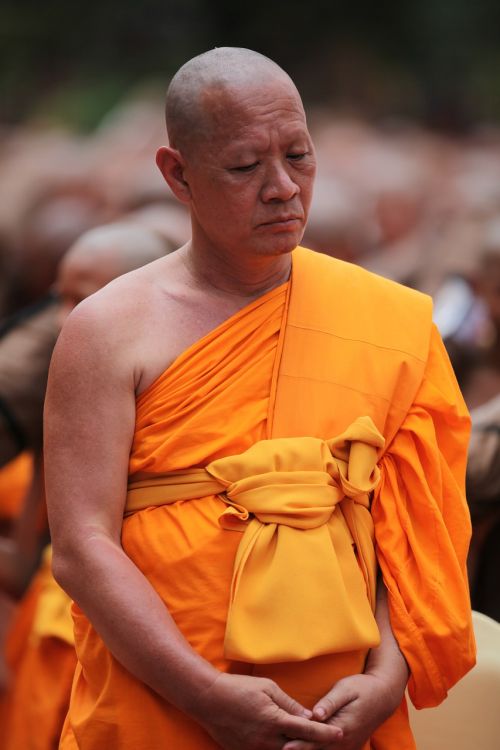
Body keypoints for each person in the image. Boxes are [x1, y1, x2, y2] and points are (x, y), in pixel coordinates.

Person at [44, 48, 475, 750]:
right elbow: (82, 546)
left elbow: (420, 530)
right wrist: (205, 694)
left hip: (339, 715)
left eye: (299, 157)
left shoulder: (386, 320)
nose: (283, 188)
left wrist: (388, 676)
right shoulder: (108, 328)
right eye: (245, 167)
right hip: (164, 702)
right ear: (177, 174)